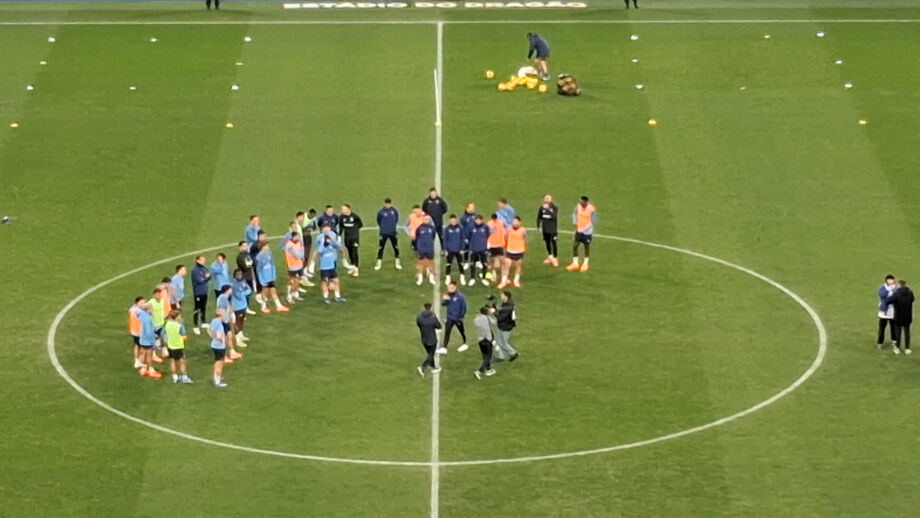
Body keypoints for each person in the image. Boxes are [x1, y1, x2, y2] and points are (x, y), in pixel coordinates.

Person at [255, 242, 289, 313]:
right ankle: (263, 306)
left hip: (270, 277)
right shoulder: (259, 257)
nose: (268, 247)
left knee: (273, 291)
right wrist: (261, 280)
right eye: (266, 246)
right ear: (262, 247)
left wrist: (274, 275)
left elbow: (272, 265)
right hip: (264, 278)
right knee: (265, 292)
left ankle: (279, 306)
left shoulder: (270, 254)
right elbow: (258, 270)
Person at [566, 196, 597, 272]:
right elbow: (574, 213)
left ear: (586, 202)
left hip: (587, 232)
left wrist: (584, 229)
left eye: (581, 201)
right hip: (579, 231)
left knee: (586, 247)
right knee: (575, 245)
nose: (580, 203)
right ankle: (575, 263)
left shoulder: (591, 209)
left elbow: (593, 222)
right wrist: (574, 222)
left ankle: (585, 263)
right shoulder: (578, 206)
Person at [317, 226, 347, 303]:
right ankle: (326, 297)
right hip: (324, 268)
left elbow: (339, 246)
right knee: (325, 282)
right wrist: (323, 242)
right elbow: (319, 251)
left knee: (336, 281)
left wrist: (333, 241)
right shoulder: (322, 247)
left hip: (332, 266)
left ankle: (338, 296)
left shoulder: (332, 245)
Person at [163, 310, 192, 384]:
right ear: (176, 317)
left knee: (172, 361)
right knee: (181, 362)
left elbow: (163, 334)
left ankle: (175, 377)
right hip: (178, 346)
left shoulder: (167, 324)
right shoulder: (179, 325)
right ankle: (184, 377)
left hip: (170, 346)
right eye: (180, 316)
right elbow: (184, 335)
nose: (181, 317)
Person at [215, 284, 242, 361]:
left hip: (226, 320)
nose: (232, 290)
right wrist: (225, 320)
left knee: (229, 336)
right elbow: (221, 310)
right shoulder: (223, 298)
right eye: (230, 289)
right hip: (223, 321)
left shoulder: (226, 298)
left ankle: (232, 352)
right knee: (224, 338)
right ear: (227, 290)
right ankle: (223, 355)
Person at [440, 282, 468, 354]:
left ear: (455, 288)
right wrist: (445, 299)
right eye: (449, 287)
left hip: (457, 318)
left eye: (452, 287)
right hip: (449, 318)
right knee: (447, 332)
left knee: (461, 331)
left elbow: (464, 307)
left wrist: (461, 316)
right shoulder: (448, 295)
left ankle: (465, 342)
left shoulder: (461, 296)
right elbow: (443, 304)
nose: (450, 289)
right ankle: (444, 347)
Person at [500, 217, 527, 289]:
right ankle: (503, 281)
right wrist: (505, 247)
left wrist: (523, 248)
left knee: (518, 266)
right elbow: (505, 238)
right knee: (507, 266)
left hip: (519, 251)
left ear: (520, 223)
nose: (515, 223)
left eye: (516, 221)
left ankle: (516, 280)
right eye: (514, 221)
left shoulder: (523, 230)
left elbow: (525, 240)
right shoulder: (509, 230)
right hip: (510, 251)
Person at [416, 302, 442, 377]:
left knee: (430, 354)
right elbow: (439, 326)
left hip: (424, 339)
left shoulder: (419, 317)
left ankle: (433, 366)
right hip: (432, 339)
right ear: (431, 308)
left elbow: (418, 324)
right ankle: (422, 367)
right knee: (431, 354)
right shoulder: (433, 317)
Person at [136, 302, 161, 379]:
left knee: (143, 354)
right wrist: (153, 340)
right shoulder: (148, 318)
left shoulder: (142, 315)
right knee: (149, 355)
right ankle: (151, 370)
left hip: (142, 339)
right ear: (147, 309)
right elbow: (149, 331)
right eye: (151, 309)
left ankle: (143, 369)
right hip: (148, 340)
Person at [888, 280, 914, 355]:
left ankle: (897, 348)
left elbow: (889, 300)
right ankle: (907, 348)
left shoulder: (896, 294)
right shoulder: (910, 293)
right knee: (907, 332)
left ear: (899, 285)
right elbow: (912, 299)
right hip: (907, 316)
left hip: (898, 316)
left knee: (898, 332)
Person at [376, 198, 402, 271]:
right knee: (381, 248)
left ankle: (397, 262)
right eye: (387, 204)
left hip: (393, 233)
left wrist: (392, 227)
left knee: (395, 247)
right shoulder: (381, 212)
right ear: (385, 204)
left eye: (389, 204)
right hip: (383, 233)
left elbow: (396, 219)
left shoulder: (394, 211)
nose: (388, 205)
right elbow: (378, 221)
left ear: (391, 204)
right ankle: (379, 263)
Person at [339, 204, 364, 278]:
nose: (342, 210)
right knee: (349, 252)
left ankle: (356, 269)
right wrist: (339, 235)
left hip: (354, 238)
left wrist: (354, 231)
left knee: (354, 252)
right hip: (347, 238)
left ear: (348, 209)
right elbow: (341, 227)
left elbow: (360, 224)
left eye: (343, 209)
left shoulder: (355, 216)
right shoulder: (341, 217)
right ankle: (352, 266)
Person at [473, 306, 497, 379]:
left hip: (480, 340)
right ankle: (479, 371)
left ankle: (488, 369)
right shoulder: (487, 318)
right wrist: (491, 315)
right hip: (487, 340)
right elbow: (494, 322)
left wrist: (478, 315)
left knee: (484, 356)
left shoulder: (476, 319)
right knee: (488, 357)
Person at [494, 291, 519, 362]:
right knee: (498, 341)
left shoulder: (508, 307)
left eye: (502, 295)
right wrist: (498, 309)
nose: (500, 296)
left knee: (503, 343)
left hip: (505, 327)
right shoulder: (507, 304)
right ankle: (501, 356)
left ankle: (513, 353)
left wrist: (494, 312)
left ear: (506, 297)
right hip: (504, 326)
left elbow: (500, 317)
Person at [467, 214, 491, 287]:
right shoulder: (471, 227)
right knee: (472, 264)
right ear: (475, 220)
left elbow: (488, 235)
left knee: (484, 264)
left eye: (479, 220)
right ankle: (472, 278)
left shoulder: (485, 227)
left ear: (482, 220)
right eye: (477, 220)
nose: (478, 221)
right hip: (473, 249)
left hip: (482, 249)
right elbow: (468, 236)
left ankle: (484, 278)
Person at [230, 269, 252, 346]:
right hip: (237, 307)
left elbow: (249, 290)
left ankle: (241, 335)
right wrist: (245, 292)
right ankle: (237, 340)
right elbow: (238, 295)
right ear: (234, 275)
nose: (239, 276)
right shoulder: (234, 284)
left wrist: (244, 292)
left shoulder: (243, 281)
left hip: (243, 305)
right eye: (238, 274)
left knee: (242, 321)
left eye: (240, 274)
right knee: (237, 323)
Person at [537, 194, 559, 267]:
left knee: (553, 243)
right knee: (547, 243)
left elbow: (554, 216)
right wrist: (538, 227)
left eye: (548, 198)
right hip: (545, 229)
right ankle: (550, 256)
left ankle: (555, 258)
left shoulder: (555, 207)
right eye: (545, 198)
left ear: (551, 199)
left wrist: (548, 209)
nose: (546, 199)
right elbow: (539, 217)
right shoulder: (541, 208)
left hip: (553, 229)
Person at [208, 310, 229, 388]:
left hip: (214, 345)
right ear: (220, 315)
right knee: (219, 364)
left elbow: (209, 329)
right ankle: (218, 381)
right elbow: (219, 336)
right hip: (219, 346)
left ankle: (216, 377)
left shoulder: (214, 321)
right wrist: (221, 341)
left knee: (217, 362)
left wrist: (213, 337)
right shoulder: (219, 324)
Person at [191, 255, 211, 335]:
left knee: (203, 307)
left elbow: (209, 276)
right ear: (198, 260)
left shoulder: (204, 268)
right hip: (198, 292)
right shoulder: (195, 270)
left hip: (204, 291)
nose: (204, 261)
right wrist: (206, 277)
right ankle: (195, 326)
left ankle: (203, 322)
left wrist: (206, 277)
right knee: (197, 309)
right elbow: (200, 280)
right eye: (202, 260)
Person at [442, 215, 465, 286]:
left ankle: (462, 277)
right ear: (449, 221)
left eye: (454, 221)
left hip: (458, 250)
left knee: (460, 264)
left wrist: (462, 248)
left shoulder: (460, 228)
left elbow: (463, 239)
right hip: (450, 250)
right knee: (448, 264)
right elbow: (445, 240)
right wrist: (445, 250)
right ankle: (448, 277)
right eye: (451, 221)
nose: (453, 222)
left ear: (457, 220)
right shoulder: (447, 229)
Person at [283, 232, 306, 304]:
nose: (298, 238)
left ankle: (295, 294)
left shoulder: (299, 242)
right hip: (293, 266)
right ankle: (289, 296)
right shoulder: (289, 245)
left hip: (299, 265)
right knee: (295, 282)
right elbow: (298, 256)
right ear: (293, 237)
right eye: (297, 237)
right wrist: (302, 248)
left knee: (298, 280)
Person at [235, 241, 257, 315]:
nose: (245, 247)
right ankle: (244, 308)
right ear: (240, 247)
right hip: (243, 277)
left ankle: (246, 307)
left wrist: (250, 263)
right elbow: (244, 266)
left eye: (246, 246)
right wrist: (250, 263)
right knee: (244, 293)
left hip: (249, 276)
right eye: (244, 246)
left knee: (248, 293)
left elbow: (254, 263)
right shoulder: (239, 256)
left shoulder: (248, 254)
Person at [415, 216, 437, 286]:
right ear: (423, 220)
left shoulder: (432, 228)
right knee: (421, 263)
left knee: (430, 263)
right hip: (421, 248)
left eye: (428, 219)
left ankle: (431, 278)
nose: (426, 220)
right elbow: (417, 237)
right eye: (425, 219)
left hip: (429, 248)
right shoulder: (419, 228)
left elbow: (433, 237)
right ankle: (420, 278)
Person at [877, 274, 898, 349]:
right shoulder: (883, 287)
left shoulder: (896, 288)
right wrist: (888, 290)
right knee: (882, 327)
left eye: (892, 280)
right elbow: (881, 295)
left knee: (894, 327)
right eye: (889, 280)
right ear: (886, 280)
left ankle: (894, 341)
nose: (891, 281)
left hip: (893, 311)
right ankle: (880, 342)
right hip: (884, 312)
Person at [298, 209, 318, 285]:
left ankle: (305, 270)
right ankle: (301, 272)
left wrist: (309, 231)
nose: (312, 216)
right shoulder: (303, 218)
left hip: (308, 238)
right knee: (303, 256)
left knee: (307, 255)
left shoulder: (313, 220)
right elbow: (299, 228)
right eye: (311, 215)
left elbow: (314, 228)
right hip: (302, 239)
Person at [486, 213, 507, 282]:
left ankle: (503, 276)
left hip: (498, 244)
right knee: (493, 261)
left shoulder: (496, 223)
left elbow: (504, 231)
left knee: (501, 261)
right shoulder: (489, 224)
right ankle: (494, 275)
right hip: (492, 245)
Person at [459, 202, 477, 271]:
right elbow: (461, 228)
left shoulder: (475, 216)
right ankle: (466, 261)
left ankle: (477, 261)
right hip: (466, 236)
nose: (472, 209)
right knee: (466, 249)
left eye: (473, 207)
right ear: (467, 208)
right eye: (471, 207)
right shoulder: (463, 217)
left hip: (474, 236)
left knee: (475, 249)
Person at [129, 296, 145, 369]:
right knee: (142, 348)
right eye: (141, 302)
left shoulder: (132, 309)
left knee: (137, 346)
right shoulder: (140, 311)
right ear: (137, 303)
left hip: (133, 331)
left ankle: (136, 361)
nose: (143, 304)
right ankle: (140, 363)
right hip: (139, 332)